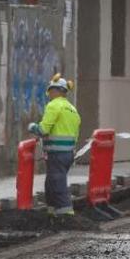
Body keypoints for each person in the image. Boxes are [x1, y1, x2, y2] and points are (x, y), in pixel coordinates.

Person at [28, 74, 81, 216]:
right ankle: (51, 212)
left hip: (56, 153)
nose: (49, 94)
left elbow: (44, 129)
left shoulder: (53, 105)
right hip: (68, 153)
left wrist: (33, 127)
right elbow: (75, 134)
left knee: (57, 184)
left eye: (50, 91)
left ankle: (66, 214)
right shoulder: (72, 109)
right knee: (51, 183)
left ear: (56, 90)